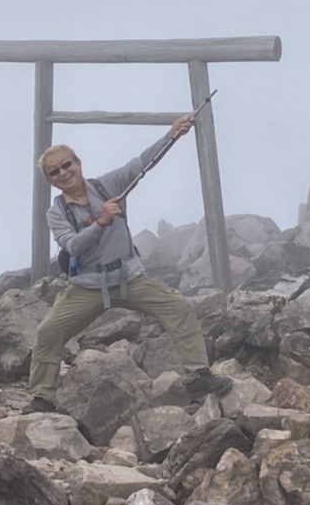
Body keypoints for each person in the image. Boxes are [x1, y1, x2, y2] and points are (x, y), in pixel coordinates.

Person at [23, 112, 234, 414]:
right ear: (50, 181)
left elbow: (140, 164)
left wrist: (172, 134)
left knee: (180, 308)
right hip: (87, 288)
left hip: (129, 280)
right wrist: (102, 221)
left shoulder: (107, 184)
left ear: (78, 163)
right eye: (55, 172)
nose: (64, 173)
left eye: (67, 165)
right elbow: (72, 245)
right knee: (48, 332)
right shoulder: (55, 213)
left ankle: (198, 377)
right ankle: (42, 397)